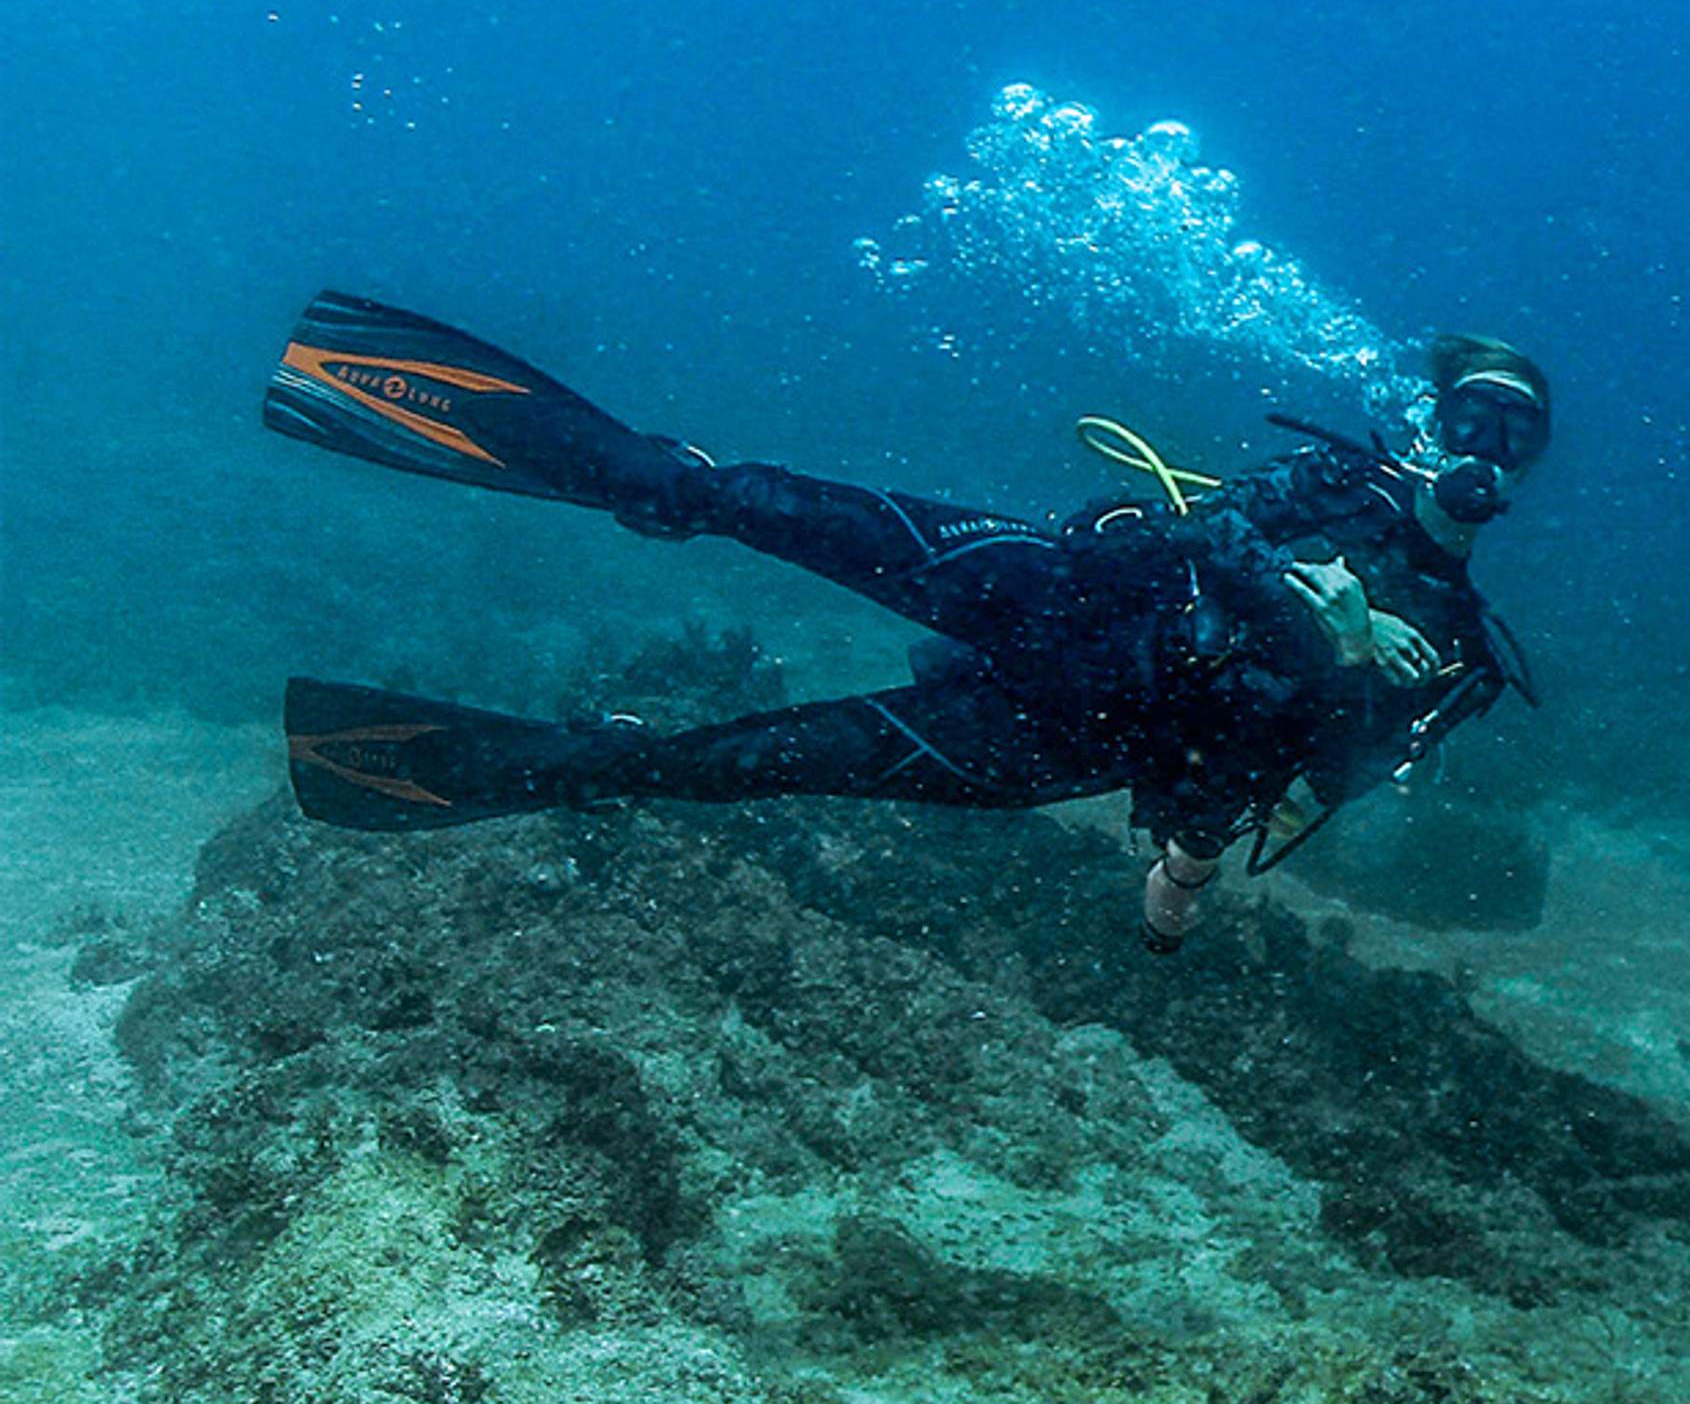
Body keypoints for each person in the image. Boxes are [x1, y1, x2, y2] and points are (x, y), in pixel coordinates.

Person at [266, 291, 1545, 952]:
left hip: (1037, 742)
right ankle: (465, 416)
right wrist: (1231, 575)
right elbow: (1175, 523)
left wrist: (1187, 879)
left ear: (1527, 469)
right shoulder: (1334, 478)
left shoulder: (1453, 657)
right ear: (1434, 421)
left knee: (721, 768)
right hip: (1038, 590)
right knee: (718, 493)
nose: (1482, 446)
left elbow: (1282, 784)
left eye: (1514, 435)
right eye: (1471, 416)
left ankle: (554, 759)